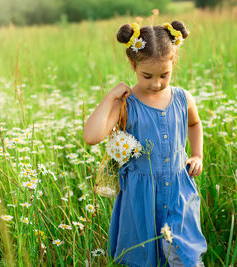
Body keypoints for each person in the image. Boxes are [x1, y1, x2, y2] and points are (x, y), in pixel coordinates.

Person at [83, 21, 207, 267]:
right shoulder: (126, 103)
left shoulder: (183, 98)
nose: (156, 83)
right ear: (133, 65)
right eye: (147, 76)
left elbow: (194, 124)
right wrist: (110, 97)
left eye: (165, 75)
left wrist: (197, 155)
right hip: (140, 195)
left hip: (178, 190)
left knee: (184, 255)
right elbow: (91, 136)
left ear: (173, 64)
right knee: (144, 255)